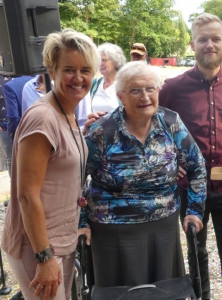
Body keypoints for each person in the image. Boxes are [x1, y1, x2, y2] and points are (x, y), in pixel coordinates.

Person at [159, 13, 222, 300]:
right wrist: (171, 163)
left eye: (215, 39)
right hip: (190, 191)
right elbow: (157, 133)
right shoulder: (172, 88)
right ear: (192, 45)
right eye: (203, 39)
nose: (209, 45)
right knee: (196, 255)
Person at [78, 61, 206, 288]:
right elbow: (75, 179)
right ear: (121, 96)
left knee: (162, 291)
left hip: (162, 226)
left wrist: (194, 211)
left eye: (150, 89)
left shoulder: (170, 122)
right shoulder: (102, 131)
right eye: (135, 90)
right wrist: (81, 222)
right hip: (111, 230)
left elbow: (196, 165)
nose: (145, 96)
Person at [1, 29, 99, 300]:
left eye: (86, 70)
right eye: (69, 69)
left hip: (60, 240)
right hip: (37, 246)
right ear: (51, 70)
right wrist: (44, 258)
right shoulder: (43, 118)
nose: (78, 78)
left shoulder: (67, 111)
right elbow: (26, 195)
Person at [90, 43, 125, 112]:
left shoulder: (124, 86)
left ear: (115, 61)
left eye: (103, 60)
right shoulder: (94, 84)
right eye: (99, 60)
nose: (100, 63)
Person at [3, 75, 34, 143]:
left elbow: (13, 117)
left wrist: (11, 134)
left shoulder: (10, 86)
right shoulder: (42, 78)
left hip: (22, 136)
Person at [0, 75, 13, 176]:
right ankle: (15, 190)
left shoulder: (18, 73)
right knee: (11, 159)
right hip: (4, 126)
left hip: (23, 123)